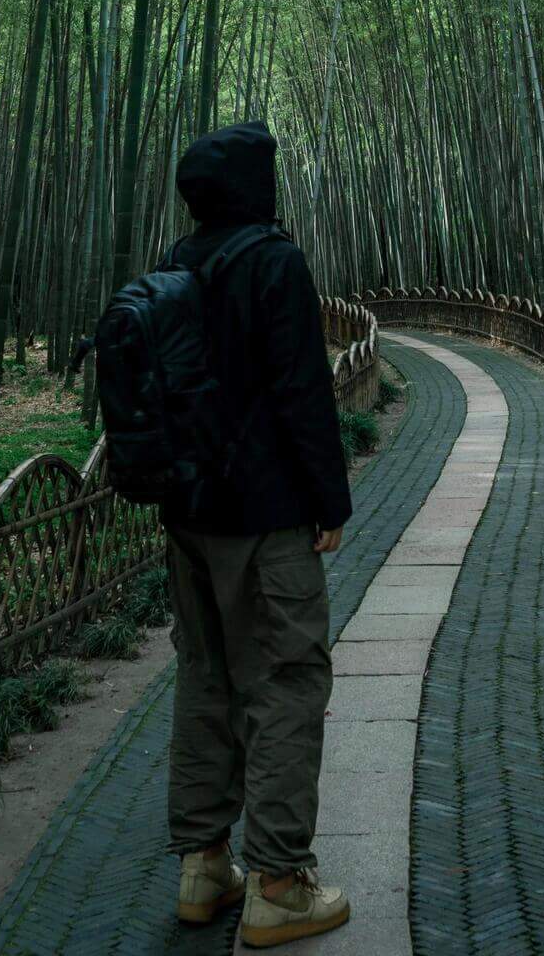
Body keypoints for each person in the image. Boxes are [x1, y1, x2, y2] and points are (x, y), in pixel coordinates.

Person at [163, 118, 353, 946]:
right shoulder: (273, 263)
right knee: (283, 685)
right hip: (267, 517)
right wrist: (330, 503)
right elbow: (304, 396)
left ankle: (204, 867)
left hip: (188, 515)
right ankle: (278, 881)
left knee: (206, 678)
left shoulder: (176, 264)